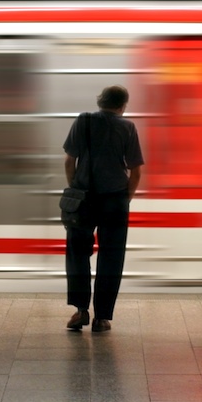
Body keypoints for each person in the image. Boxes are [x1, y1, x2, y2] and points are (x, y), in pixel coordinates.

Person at [62, 85, 144, 333]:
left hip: (83, 200)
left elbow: (69, 161)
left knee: (77, 253)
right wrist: (125, 199)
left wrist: (76, 190)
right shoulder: (127, 127)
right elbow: (136, 170)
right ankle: (102, 318)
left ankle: (80, 311)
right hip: (115, 201)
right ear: (122, 106)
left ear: (100, 101)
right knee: (111, 257)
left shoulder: (83, 121)